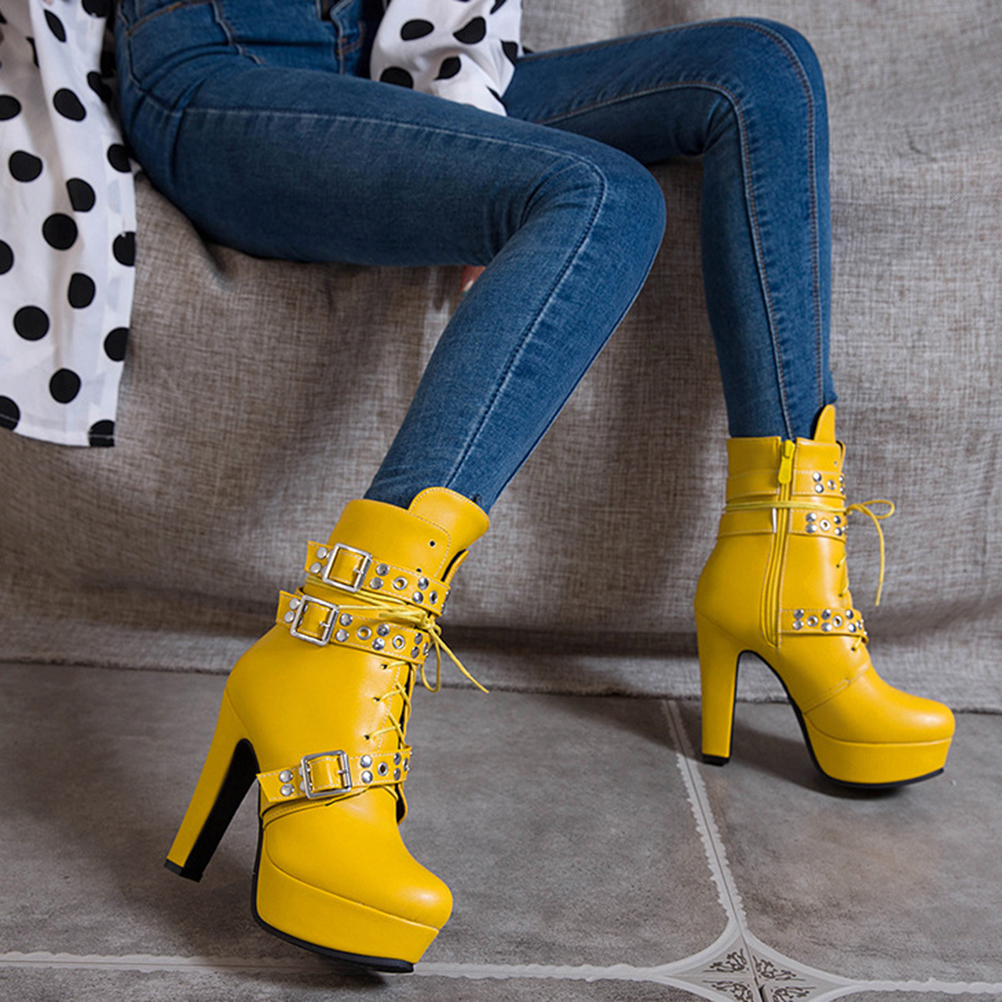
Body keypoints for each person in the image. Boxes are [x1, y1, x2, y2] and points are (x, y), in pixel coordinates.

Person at [112, 0, 955, 973]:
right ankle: (333, 654)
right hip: (220, 70)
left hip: (395, 65)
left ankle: (787, 572)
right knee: (602, 198)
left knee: (761, 68)